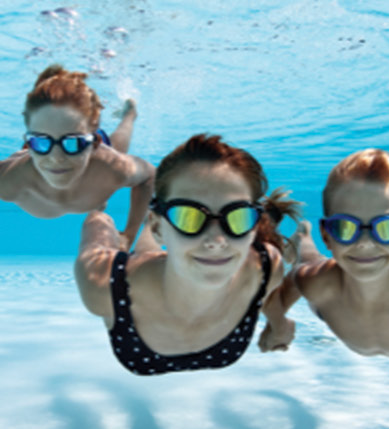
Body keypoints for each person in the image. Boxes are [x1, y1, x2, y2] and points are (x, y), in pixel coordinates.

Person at [260, 148, 389, 418]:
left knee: (315, 264)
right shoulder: (316, 283)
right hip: (329, 301)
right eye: (345, 227)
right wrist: (277, 325)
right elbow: (272, 295)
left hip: (334, 284)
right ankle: (304, 237)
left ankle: (307, 236)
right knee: (307, 262)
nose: (365, 243)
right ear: (328, 235)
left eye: (386, 227)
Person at [74, 134, 296, 375]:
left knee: (161, 252)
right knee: (100, 221)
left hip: (165, 255)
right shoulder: (103, 285)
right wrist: (101, 218)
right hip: (145, 268)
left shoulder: (266, 266)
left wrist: (279, 324)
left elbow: (266, 294)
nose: (216, 241)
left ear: (253, 228)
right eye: (188, 217)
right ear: (157, 228)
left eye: (238, 217)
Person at [0, 64, 152, 249]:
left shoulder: (111, 167)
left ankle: (129, 114)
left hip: (96, 163)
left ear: (95, 142)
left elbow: (149, 176)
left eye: (73, 143)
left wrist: (128, 235)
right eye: (41, 142)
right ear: (28, 143)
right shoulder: (8, 180)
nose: (57, 157)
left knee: (118, 149)